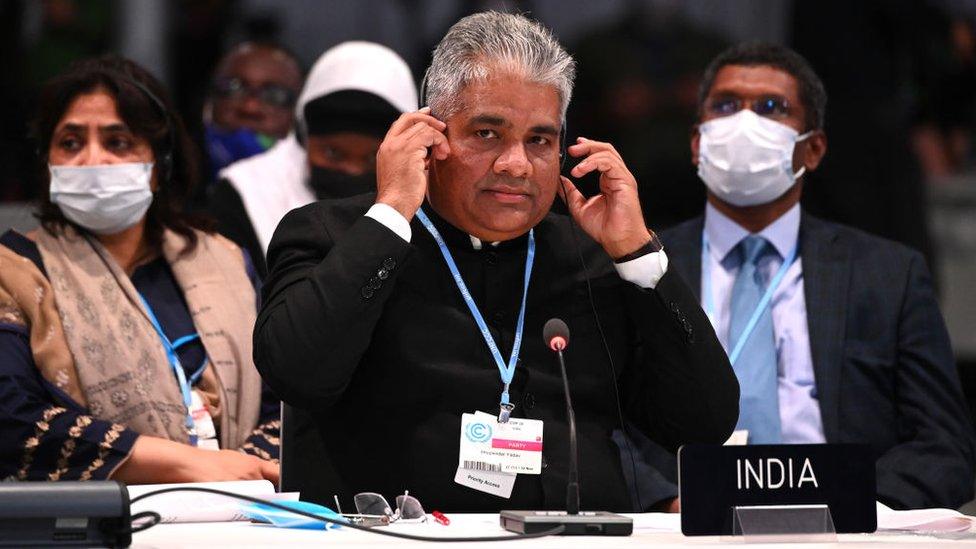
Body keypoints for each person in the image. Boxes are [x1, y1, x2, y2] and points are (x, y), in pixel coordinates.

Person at [254, 11, 738, 511]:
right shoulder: (334, 235)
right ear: (428, 135)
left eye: (539, 140)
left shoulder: (594, 257)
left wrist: (638, 254)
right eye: (487, 134)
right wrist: (392, 211)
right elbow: (296, 373)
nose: (516, 164)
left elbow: (702, 425)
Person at [628, 42, 975, 511]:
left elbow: (945, 445)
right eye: (726, 105)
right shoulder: (640, 267)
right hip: (681, 526)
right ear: (697, 143)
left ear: (812, 149)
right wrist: (668, 502)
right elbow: (599, 429)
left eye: (772, 107)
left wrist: (850, 500)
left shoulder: (887, 275)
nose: (744, 122)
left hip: (848, 529)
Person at [0, 55, 279, 483]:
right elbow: (12, 420)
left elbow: (285, 400)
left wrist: (247, 472)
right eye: (71, 143)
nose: (93, 159)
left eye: (119, 142)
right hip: (93, 522)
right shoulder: (14, 270)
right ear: (47, 161)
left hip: (245, 515)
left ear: (159, 163)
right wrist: (190, 465)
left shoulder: (224, 261)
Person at [208, 41, 417, 278]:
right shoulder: (245, 194)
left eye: (372, 157)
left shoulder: (427, 203)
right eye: (333, 154)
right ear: (303, 140)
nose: (351, 169)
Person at [202, 42, 304, 181]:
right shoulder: (171, 183)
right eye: (233, 88)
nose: (250, 107)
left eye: (275, 95)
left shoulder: (318, 195)